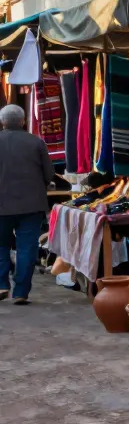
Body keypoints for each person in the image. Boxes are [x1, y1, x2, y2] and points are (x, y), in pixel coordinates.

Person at [0, 103, 55, 305]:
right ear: (23, 121)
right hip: (31, 205)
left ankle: (2, 285)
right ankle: (21, 292)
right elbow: (49, 174)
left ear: (2, 122)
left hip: (1, 206)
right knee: (26, 248)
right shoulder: (37, 142)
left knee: (1, 246)